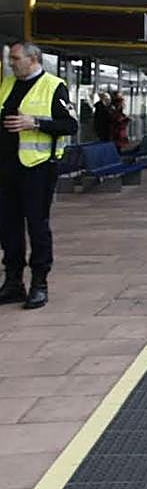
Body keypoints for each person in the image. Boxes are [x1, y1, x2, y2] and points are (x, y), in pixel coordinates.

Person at [0, 42, 79, 309]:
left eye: (15, 58)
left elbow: (70, 125)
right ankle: (13, 281)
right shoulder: (7, 85)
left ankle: (39, 283)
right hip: (7, 168)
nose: (11, 62)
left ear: (33, 59)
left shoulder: (53, 85)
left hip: (38, 168)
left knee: (37, 225)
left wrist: (35, 123)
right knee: (8, 226)